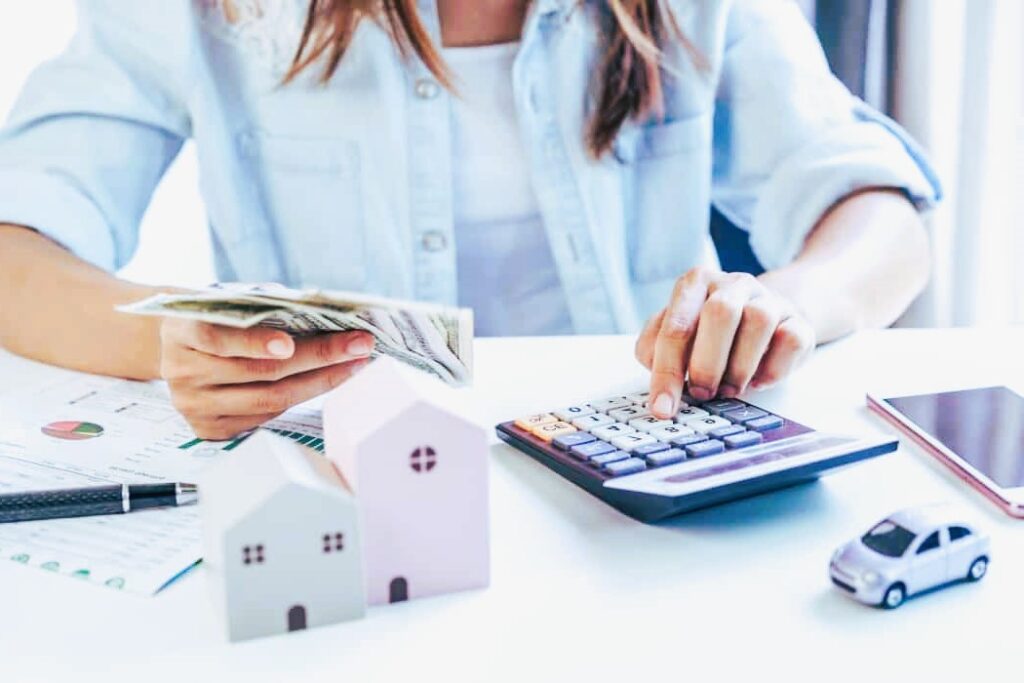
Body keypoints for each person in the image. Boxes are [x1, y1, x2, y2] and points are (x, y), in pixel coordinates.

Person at [0, 0, 939, 439]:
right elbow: (15, 249)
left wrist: (792, 300)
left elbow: (879, 214)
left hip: (645, 495)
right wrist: (175, 341)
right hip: (352, 508)